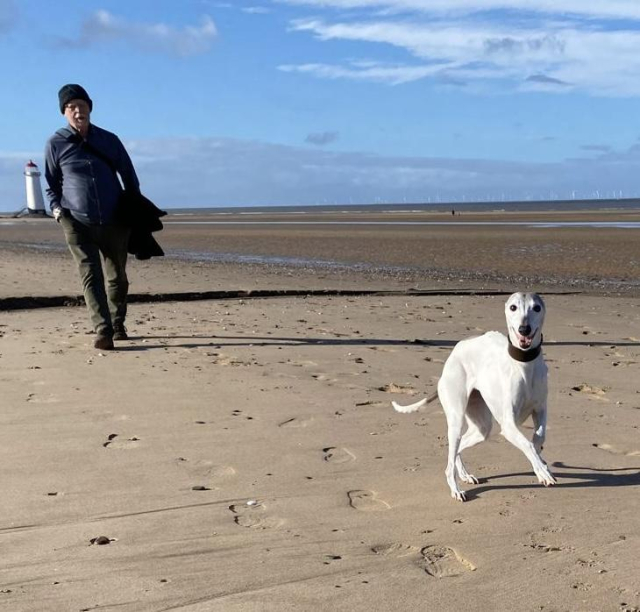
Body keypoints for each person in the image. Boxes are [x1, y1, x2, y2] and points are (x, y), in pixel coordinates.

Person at [44, 84, 141, 350]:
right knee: (90, 275)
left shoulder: (109, 140)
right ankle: (103, 330)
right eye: (71, 107)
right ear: (64, 112)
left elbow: (129, 175)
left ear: (90, 108)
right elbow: (51, 183)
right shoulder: (56, 143)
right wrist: (57, 212)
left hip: (114, 220)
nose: (78, 111)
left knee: (117, 276)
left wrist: (135, 206)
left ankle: (117, 322)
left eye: (82, 106)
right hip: (76, 221)